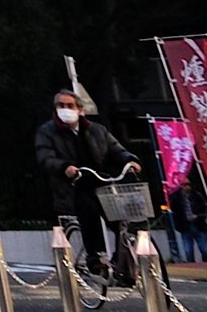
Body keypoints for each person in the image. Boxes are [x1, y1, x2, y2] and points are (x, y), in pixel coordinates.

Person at [36, 90, 140, 285]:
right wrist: (64, 167)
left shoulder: (97, 130)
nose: (65, 109)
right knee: (89, 212)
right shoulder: (47, 132)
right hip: (72, 186)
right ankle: (95, 259)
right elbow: (45, 157)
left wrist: (129, 160)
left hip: (100, 181)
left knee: (122, 220)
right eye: (61, 106)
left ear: (80, 109)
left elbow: (115, 149)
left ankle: (122, 265)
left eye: (70, 106)